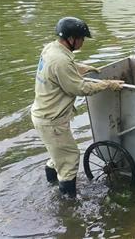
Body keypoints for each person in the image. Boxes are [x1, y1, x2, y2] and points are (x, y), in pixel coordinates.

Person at [32, 17, 124, 197]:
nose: (82, 42)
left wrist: (84, 68)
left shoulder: (51, 48)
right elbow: (80, 88)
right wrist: (107, 84)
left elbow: (64, 68)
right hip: (52, 120)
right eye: (81, 38)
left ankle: (51, 184)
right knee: (70, 158)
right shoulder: (61, 60)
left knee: (58, 154)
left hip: (43, 114)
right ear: (71, 38)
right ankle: (68, 205)